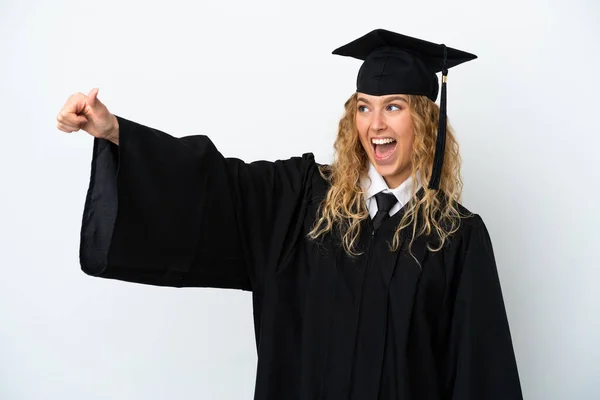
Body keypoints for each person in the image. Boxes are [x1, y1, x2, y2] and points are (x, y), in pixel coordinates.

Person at [56, 29, 522, 399]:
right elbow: (220, 184)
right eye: (364, 108)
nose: (375, 124)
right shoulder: (304, 199)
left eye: (393, 107)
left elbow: (479, 372)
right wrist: (116, 132)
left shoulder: (456, 236)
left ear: (423, 120)